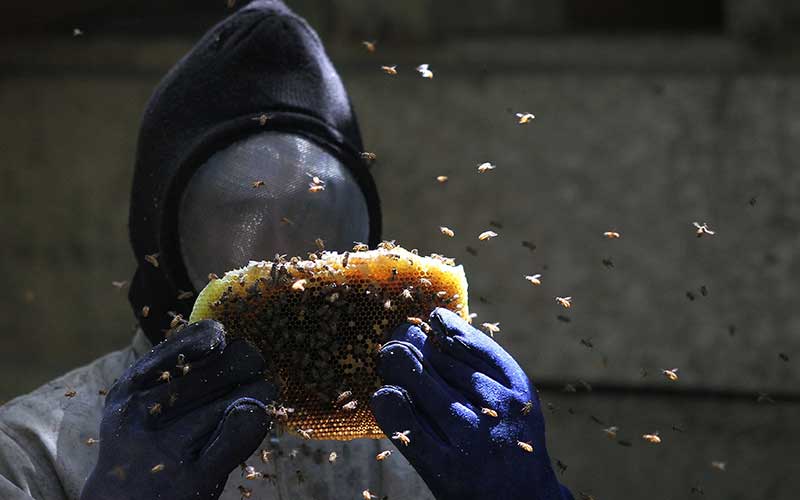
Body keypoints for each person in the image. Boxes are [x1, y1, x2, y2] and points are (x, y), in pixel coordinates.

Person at [0, 2, 573, 499]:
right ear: (160, 236)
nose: (281, 255)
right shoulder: (30, 455)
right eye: (237, 214)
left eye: (314, 212)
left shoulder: (432, 437)